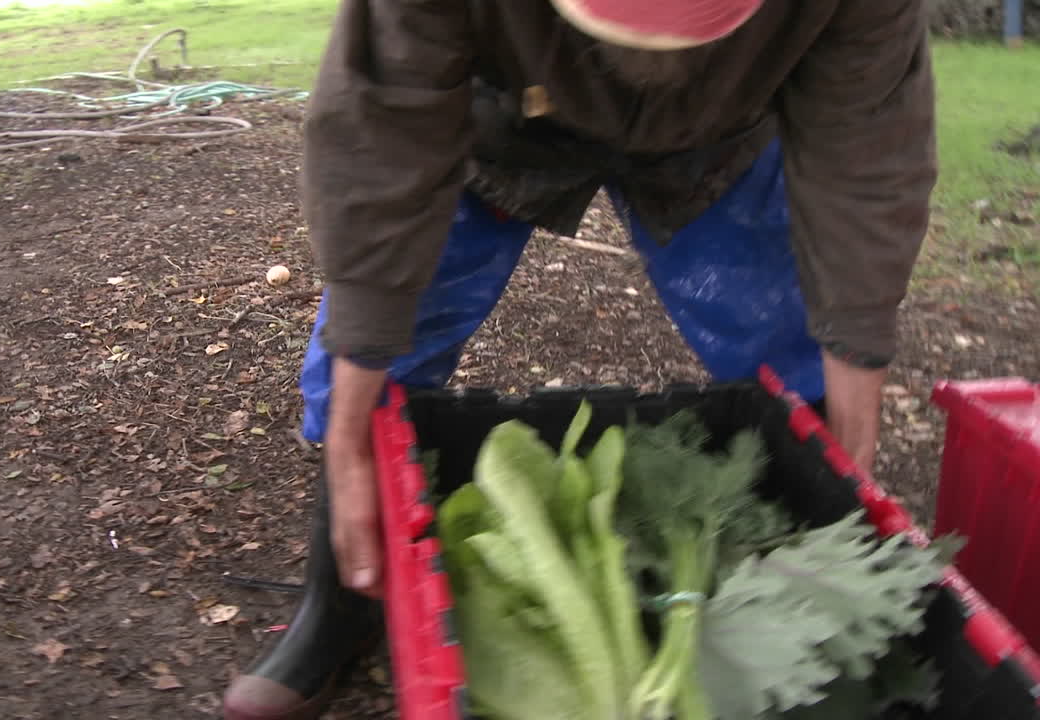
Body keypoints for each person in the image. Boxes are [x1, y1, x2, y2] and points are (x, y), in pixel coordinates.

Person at [223, 0, 937, 718]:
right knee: (391, 333)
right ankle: (340, 604)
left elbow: (866, 149)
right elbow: (382, 134)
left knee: (794, 343)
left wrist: (852, 438)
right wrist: (349, 436)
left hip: (720, 133)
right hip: (503, 118)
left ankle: (807, 574)